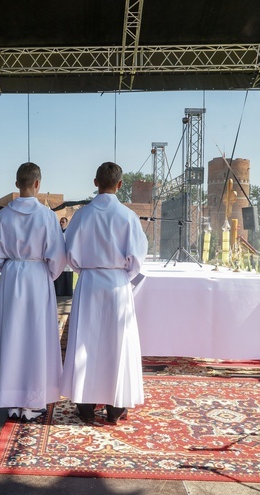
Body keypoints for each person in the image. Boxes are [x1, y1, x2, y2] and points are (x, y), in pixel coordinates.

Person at [60, 162, 148, 425]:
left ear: (95, 182)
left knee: (85, 342)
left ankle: (85, 404)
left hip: (88, 282)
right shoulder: (128, 216)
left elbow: (70, 254)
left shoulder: (82, 215)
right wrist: (121, 275)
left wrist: (88, 270)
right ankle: (115, 405)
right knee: (117, 343)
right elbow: (137, 258)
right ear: (120, 185)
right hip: (117, 284)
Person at [0, 162, 66, 422]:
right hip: (37, 275)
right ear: (38, 184)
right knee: (36, 337)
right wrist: (46, 274)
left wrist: (11, 267)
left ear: (16, 183)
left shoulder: (3, 216)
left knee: (12, 335)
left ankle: (11, 401)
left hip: (12, 276)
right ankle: (33, 401)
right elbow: (57, 256)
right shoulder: (46, 216)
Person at [53, 216, 74, 296]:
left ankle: (67, 292)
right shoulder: (57, 233)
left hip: (67, 256)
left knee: (67, 273)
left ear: (66, 223)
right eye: (60, 222)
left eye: (63, 222)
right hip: (59, 256)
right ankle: (58, 292)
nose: (61, 223)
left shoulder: (69, 232)